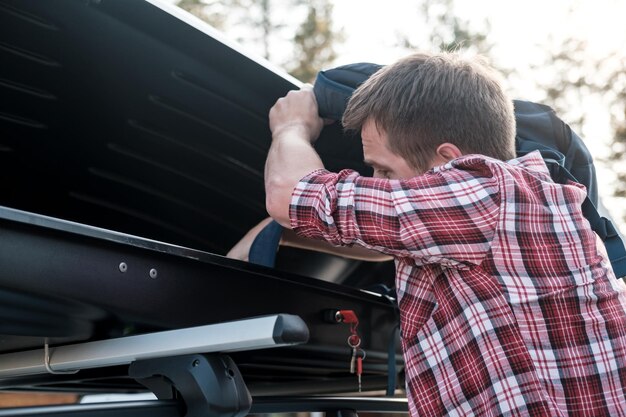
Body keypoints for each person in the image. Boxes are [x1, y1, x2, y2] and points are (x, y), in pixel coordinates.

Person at [236, 52, 626, 416]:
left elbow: (291, 193)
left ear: (450, 161)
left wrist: (292, 126)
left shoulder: (484, 193)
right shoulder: (507, 208)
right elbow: (360, 241)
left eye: (384, 170)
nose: (377, 184)